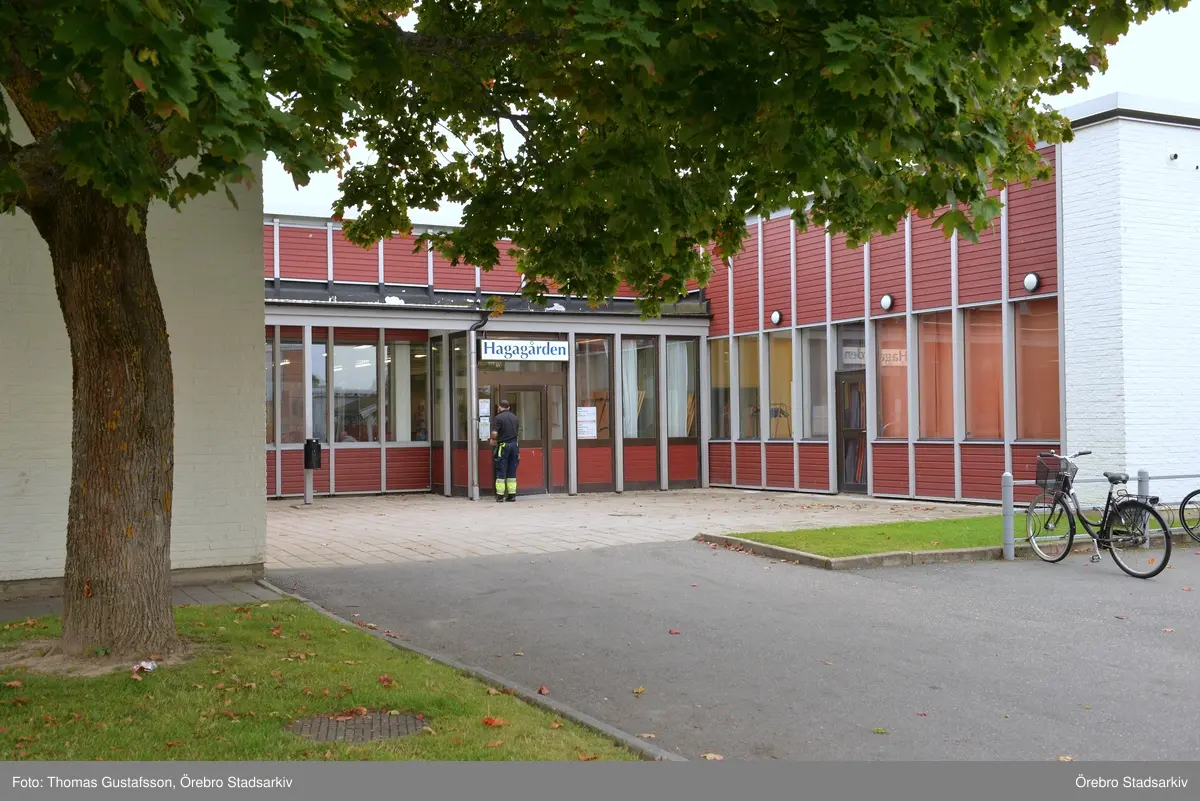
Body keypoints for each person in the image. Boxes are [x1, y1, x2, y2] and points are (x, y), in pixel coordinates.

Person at [489, 399, 520, 502]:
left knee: (501, 469)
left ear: (499, 407)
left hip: (503, 446)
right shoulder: (515, 418)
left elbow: (494, 433)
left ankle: (500, 496)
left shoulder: (498, 417)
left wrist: (493, 439)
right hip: (514, 446)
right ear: (509, 407)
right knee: (512, 470)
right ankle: (512, 495)